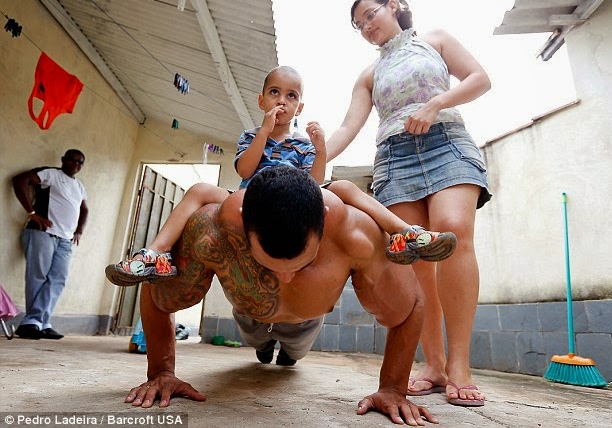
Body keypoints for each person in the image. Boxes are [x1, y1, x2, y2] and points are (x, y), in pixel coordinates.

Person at [107, 166, 437, 426]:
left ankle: (287, 354)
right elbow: (156, 290)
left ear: (324, 218)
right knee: (261, 348)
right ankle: (265, 349)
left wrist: (393, 387)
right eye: (269, 264)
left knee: (291, 355)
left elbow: (410, 307)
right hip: (249, 318)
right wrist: (161, 373)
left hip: (306, 325)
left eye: (301, 264)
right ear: (242, 222)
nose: (286, 278)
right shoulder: (212, 229)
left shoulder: (357, 234)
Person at [109, 66, 456, 284]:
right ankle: (155, 254)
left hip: (294, 201)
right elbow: (245, 169)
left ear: (299, 107)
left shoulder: (303, 145)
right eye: (275, 93)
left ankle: (404, 233)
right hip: (250, 196)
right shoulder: (251, 136)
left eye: (291, 96)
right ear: (261, 100)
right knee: (200, 188)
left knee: (345, 187)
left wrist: (321, 149)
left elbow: (314, 183)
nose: (282, 101)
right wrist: (263, 132)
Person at [325, 0, 492, 407]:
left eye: (370, 15)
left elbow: (479, 79)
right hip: (395, 157)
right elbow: (347, 127)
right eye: (358, 25)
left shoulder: (435, 40)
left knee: (454, 232)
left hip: (446, 141)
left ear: (393, 6)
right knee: (416, 256)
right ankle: (434, 365)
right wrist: (311, 155)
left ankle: (460, 365)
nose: (366, 27)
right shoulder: (368, 75)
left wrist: (436, 103)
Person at [12, 149, 89, 340]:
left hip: (65, 239)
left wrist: (79, 231)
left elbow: (84, 209)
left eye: (80, 162)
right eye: (73, 160)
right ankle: (32, 322)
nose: (76, 164)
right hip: (42, 233)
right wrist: (32, 213)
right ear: (63, 160)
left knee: (58, 279)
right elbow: (19, 180)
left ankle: (41, 321)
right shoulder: (51, 174)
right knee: (37, 277)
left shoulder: (79, 186)